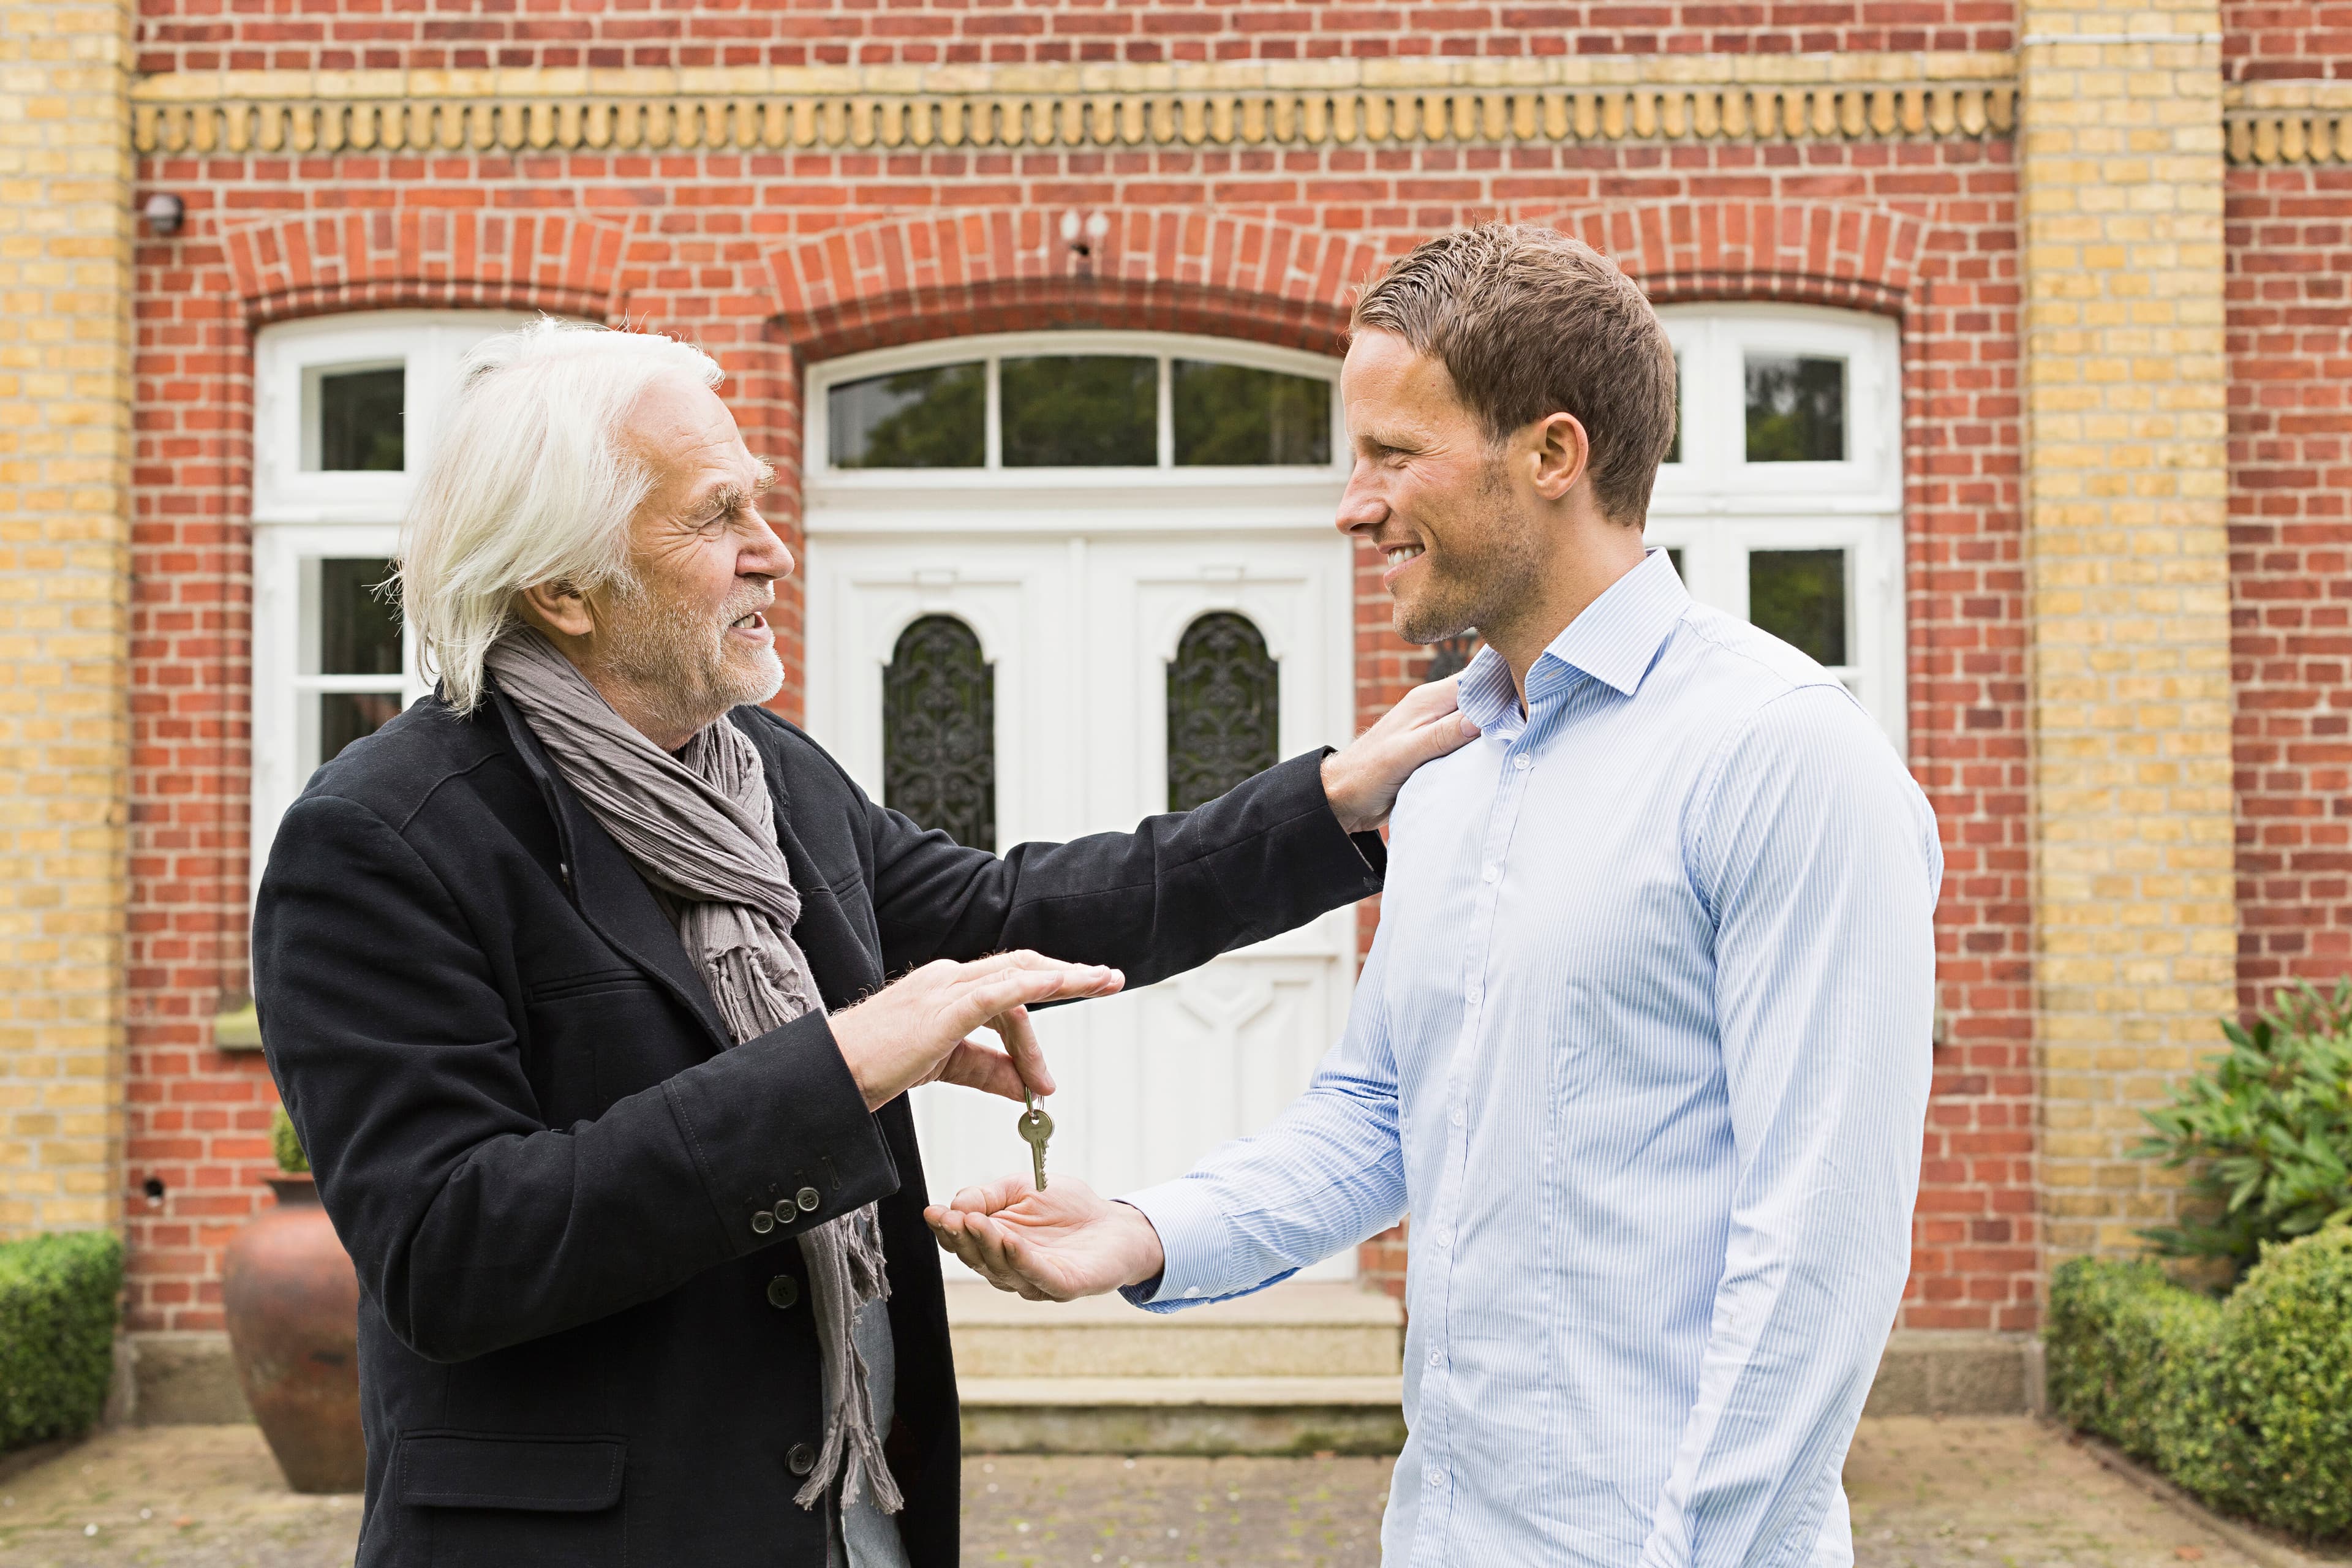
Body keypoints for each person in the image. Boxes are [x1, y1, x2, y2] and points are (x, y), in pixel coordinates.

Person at [251, 318, 1476, 1568]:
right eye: (716, 516)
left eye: (760, 506)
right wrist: (839, 1067)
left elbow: (1012, 912)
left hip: (851, 1519)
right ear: (563, 589)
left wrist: (1332, 802)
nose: (772, 552)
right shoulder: (382, 841)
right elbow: (457, 1250)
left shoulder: (765, 776)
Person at [927, 224, 1943, 1568]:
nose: (1355, 504)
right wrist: (1146, 1232)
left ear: (1553, 454)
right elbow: (1385, 1109)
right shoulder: (1449, 767)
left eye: (1393, 456)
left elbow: (1820, 1247)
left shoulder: (1784, 756)